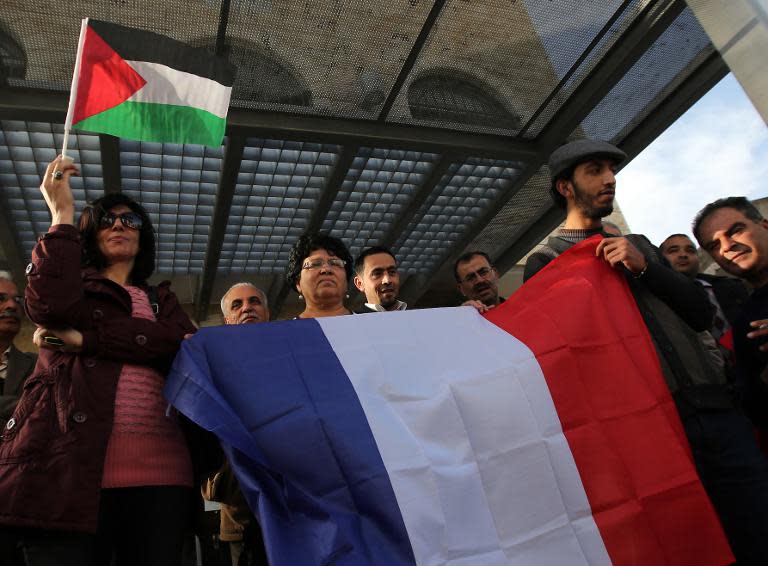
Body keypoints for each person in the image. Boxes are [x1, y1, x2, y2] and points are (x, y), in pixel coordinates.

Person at [524, 140, 768, 565]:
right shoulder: (545, 262)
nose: (609, 179)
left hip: (716, 413)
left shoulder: (640, 244)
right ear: (566, 187)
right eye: (595, 170)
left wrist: (645, 266)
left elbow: (697, 313)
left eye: (611, 170)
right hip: (647, 432)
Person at [0, 156, 198, 566]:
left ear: (143, 238)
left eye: (131, 221)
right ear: (89, 235)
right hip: (67, 472)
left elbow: (184, 346)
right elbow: (48, 305)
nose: (119, 225)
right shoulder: (72, 289)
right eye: (106, 220)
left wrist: (87, 339)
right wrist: (62, 216)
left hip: (163, 477)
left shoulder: (162, 301)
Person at [203, 283, 269, 566]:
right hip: (241, 517)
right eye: (237, 305)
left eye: (254, 302)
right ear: (227, 319)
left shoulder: (288, 355)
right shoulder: (210, 365)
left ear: (266, 312)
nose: (247, 308)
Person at [693, 197, 768, 428]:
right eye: (714, 245)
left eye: (735, 231)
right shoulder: (745, 324)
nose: (726, 247)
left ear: (764, 225)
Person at [0, 271, 36, 566]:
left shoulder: (37, 364)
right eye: (1, 299)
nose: (11, 305)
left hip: (18, 502)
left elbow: (41, 410)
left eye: (16, 299)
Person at [286, 233, 353, 319]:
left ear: (346, 282)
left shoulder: (371, 326)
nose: (326, 270)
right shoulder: (283, 332)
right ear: (298, 283)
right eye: (315, 264)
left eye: (335, 263)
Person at [353, 246, 406, 313]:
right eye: (377, 274)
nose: (387, 280)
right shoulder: (351, 322)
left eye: (392, 272)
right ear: (360, 284)